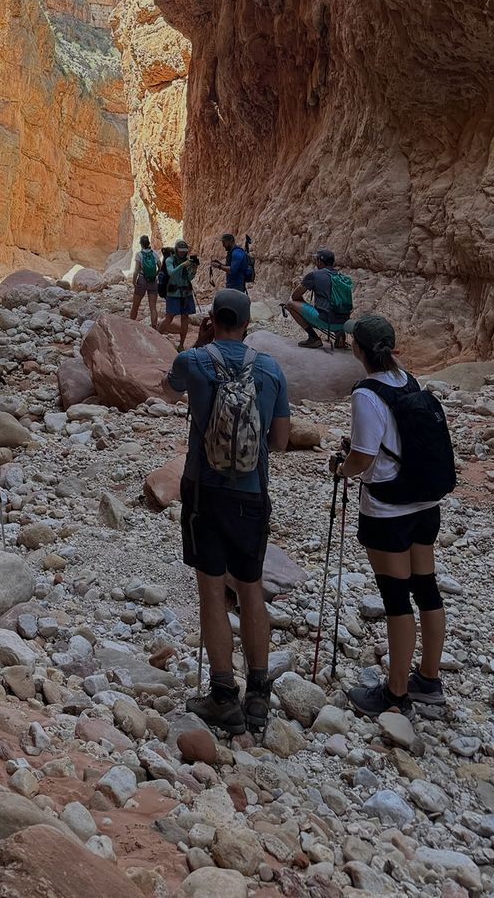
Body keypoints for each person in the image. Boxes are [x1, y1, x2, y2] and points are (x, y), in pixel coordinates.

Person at [160, 289, 290, 734]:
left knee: (212, 592)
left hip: (204, 492)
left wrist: (199, 342)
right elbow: (280, 441)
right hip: (252, 494)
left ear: (213, 319)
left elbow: (167, 394)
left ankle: (222, 695)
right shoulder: (271, 368)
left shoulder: (193, 362)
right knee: (251, 589)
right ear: (249, 323)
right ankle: (257, 695)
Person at [332, 315, 448, 718]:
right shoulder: (408, 381)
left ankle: (395, 693)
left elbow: (363, 457)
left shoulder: (366, 393)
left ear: (358, 350)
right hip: (424, 505)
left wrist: (341, 468)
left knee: (396, 599)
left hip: (387, 510)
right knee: (427, 590)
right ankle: (428, 680)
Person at [283, 247, 350, 349]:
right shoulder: (340, 276)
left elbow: (295, 296)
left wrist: (304, 304)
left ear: (320, 261)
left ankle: (313, 338)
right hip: (344, 322)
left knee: (290, 304)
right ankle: (340, 334)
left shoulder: (314, 275)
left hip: (326, 321)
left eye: (316, 260)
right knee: (333, 309)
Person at [158, 239, 199, 351]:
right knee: (169, 317)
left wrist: (194, 269)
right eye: (180, 251)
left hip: (186, 293)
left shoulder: (186, 261)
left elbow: (189, 278)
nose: (182, 253)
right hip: (173, 293)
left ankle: (181, 344)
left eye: (184, 251)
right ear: (176, 250)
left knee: (185, 317)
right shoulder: (170, 260)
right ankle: (156, 337)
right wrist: (184, 265)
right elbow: (171, 273)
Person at [129, 234, 161, 329]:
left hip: (142, 280)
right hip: (153, 281)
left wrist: (134, 282)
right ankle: (154, 328)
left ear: (141, 244)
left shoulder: (139, 254)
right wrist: (155, 274)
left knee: (136, 305)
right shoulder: (155, 253)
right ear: (148, 243)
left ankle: (130, 326)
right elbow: (160, 266)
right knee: (153, 307)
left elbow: (136, 270)